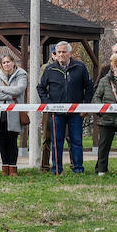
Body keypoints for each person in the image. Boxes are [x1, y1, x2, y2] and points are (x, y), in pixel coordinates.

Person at [37, 42, 92, 175]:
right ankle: (57, 170)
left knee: (77, 141)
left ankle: (78, 169)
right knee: (57, 142)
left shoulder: (80, 67)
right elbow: (40, 88)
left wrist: (85, 105)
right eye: (59, 52)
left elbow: (89, 87)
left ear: (69, 53)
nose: (61, 54)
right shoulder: (50, 69)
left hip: (76, 112)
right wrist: (48, 104)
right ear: (55, 54)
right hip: (57, 112)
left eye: (64, 52)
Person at [0, 55, 27, 176]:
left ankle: (13, 168)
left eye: (8, 62)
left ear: (13, 62)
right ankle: (5, 168)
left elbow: (19, 89)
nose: (6, 64)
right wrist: (10, 96)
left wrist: (2, 88)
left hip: (14, 113)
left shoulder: (21, 74)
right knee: (2, 141)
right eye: (4, 62)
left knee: (12, 141)